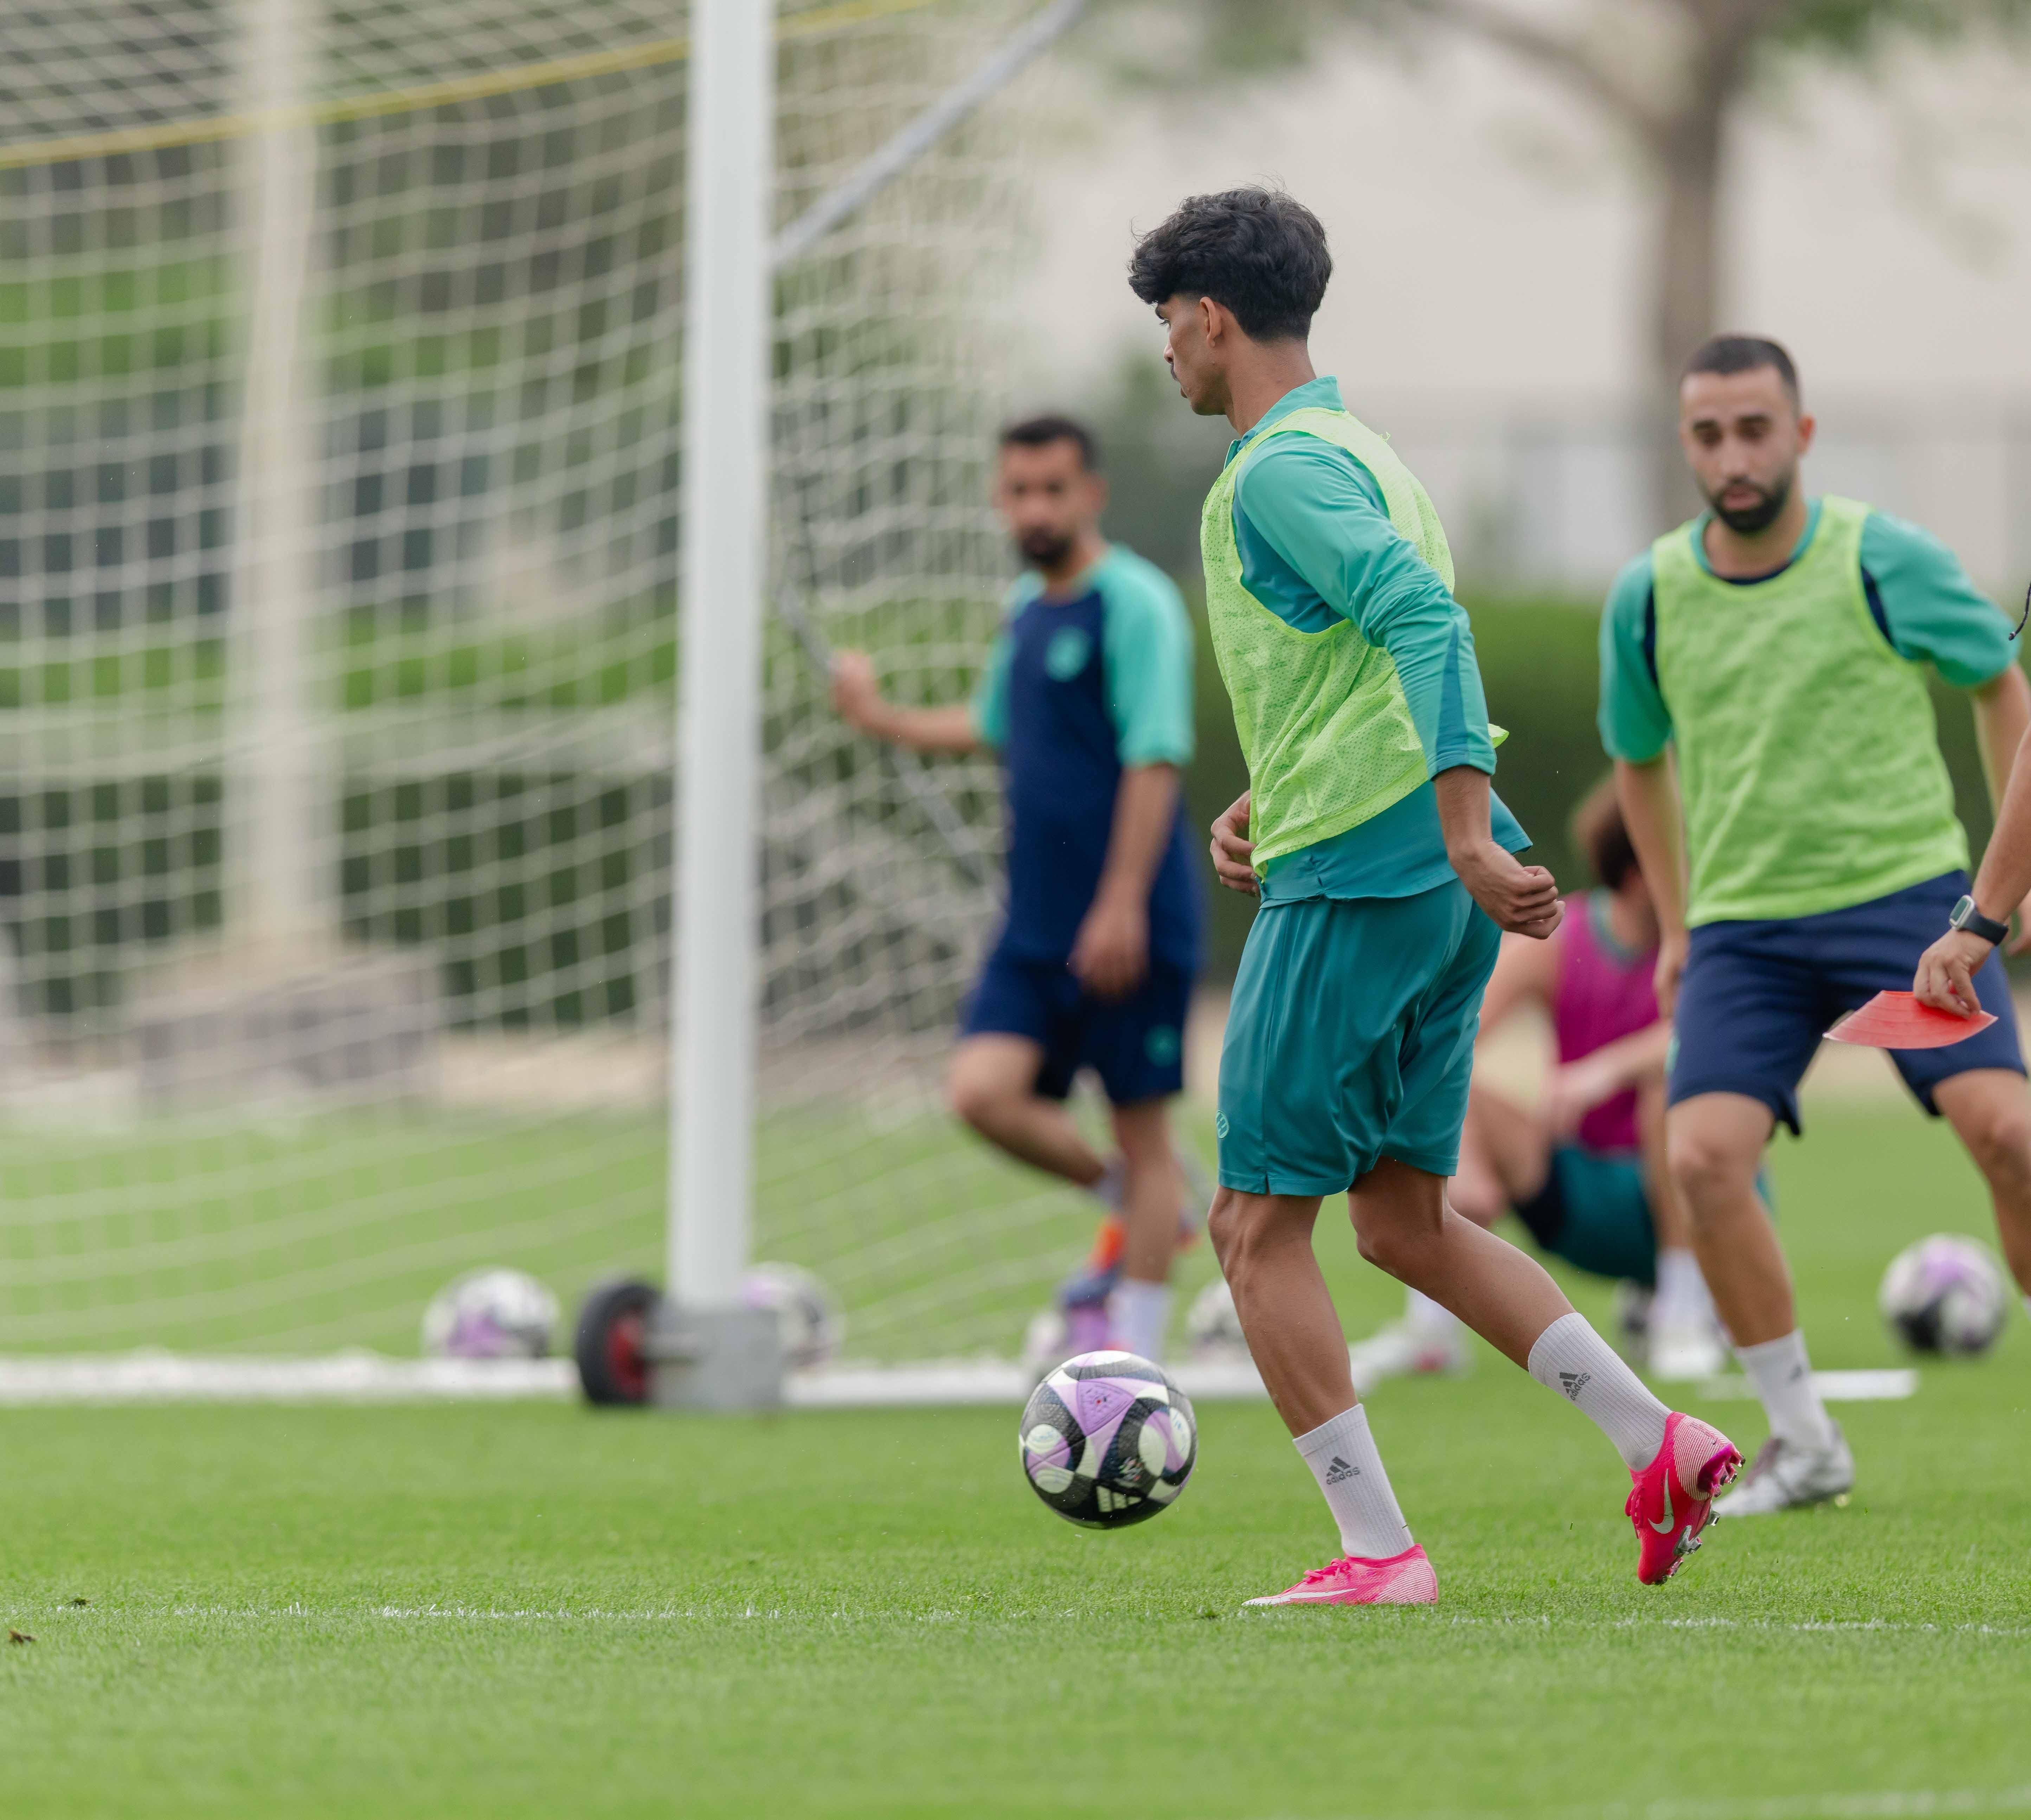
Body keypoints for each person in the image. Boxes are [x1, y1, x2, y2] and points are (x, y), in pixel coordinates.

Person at [1131, 186, 1739, 1607]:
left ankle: (1377, 1553)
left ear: (1212, 316)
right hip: (1403, 858)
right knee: (1400, 1219)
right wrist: (1267, 795)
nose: (1167, 352)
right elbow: (1357, 671)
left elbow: (1423, 620)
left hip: (1375, 869)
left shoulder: (1275, 470)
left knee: (1250, 1226)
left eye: (1169, 324)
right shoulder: (1364, 454)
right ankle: (1659, 1440)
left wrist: (1459, 831)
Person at [1602, 334, 2031, 1516]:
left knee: (2007, 1137)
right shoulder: (1644, 594)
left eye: (1752, 428)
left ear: (1797, 434)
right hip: (1742, 928)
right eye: (1705, 433)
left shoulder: (1877, 557)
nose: (1730, 455)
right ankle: (1802, 1441)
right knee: (1698, 1159)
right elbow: (1636, 762)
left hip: (1904, 902)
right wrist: (1682, 923)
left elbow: (2002, 688)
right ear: (1683, 444)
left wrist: (2005, 879)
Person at [830, 415, 1204, 1364]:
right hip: (1033, 928)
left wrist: (1120, 903)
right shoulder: (1025, 610)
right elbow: (993, 722)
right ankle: (1141, 1203)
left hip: (1130, 924)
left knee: (1144, 1130)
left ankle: (1137, 1357)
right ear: (1001, 499)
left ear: (1091, 494)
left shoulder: (1136, 604)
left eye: (1054, 488)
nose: (1037, 507)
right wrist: (880, 719)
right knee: (979, 1092)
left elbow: (1155, 759)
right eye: (1020, 490)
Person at [1348, 779, 1728, 1388]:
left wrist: (1605, 1071)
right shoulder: (1564, 937)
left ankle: (1682, 1313)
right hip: (1584, 1199)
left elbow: (1712, 1033)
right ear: (1640, 873)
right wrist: (1452, 1153)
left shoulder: (1712, 940)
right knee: (1446, 1087)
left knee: (1669, 1090)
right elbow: (1451, 1034)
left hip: (1705, 1194)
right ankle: (1433, 1319)